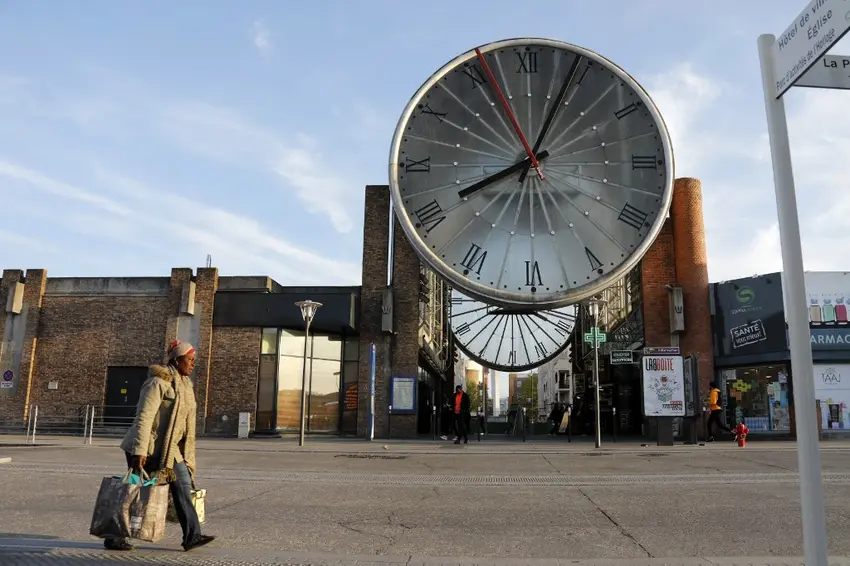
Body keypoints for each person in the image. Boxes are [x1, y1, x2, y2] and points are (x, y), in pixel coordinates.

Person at [104, 340, 215, 552]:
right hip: (147, 448)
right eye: (189, 360)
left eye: (194, 360)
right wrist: (139, 451)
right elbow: (144, 417)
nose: (193, 364)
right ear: (176, 359)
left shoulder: (185, 384)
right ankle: (113, 536)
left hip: (169, 450)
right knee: (134, 491)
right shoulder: (158, 382)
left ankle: (192, 536)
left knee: (182, 487)